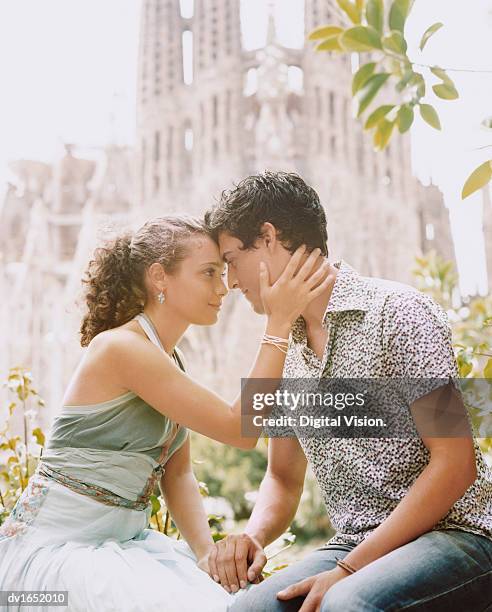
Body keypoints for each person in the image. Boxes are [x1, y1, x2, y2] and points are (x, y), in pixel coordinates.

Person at [0, 214, 333, 612]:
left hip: (122, 546)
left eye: (223, 273)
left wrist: (207, 554)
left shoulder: (167, 359)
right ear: (160, 278)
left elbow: (177, 473)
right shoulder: (121, 348)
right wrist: (278, 322)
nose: (223, 287)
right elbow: (241, 430)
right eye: (208, 273)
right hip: (57, 557)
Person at [204, 171, 492, 611]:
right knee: (246, 609)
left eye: (231, 259)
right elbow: (282, 477)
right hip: (355, 544)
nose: (230, 280)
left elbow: (456, 464)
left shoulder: (400, 312)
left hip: (458, 533)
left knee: (345, 604)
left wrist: (348, 571)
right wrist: (253, 535)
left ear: (267, 238)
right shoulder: (280, 349)